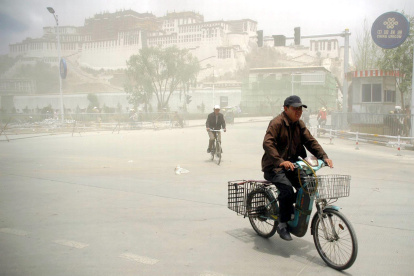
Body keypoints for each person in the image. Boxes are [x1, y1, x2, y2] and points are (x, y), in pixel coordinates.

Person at [261, 95, 333, 241]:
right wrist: (280, 161)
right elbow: (267, 143)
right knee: (287, 190)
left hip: (293, 166)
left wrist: (324, 157)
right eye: (295, 109)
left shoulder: (299, 124)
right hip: (274, 167)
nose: (298, 111)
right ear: (286, 108)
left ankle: (288, 209)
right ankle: (282, 224)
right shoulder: (277, 123)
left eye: (300, 109)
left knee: (307, 186)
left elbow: (310, 141)